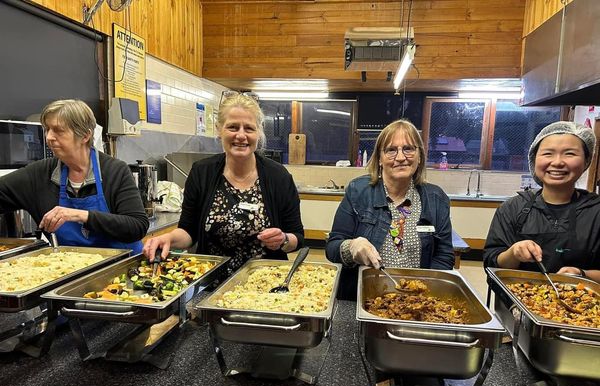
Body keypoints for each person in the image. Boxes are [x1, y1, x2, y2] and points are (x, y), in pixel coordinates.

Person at [143, 92, 304, 274]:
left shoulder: (278, 177)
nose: (241, 135)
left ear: (258, 133)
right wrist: (168, 239)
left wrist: (283, 240)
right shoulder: (201, 172)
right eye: (233, 127)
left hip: (264, 284)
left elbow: (297, 237)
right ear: (220, 130)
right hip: (210, 281)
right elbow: (188, 232)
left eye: (249, 128)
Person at [326, 119, 455, 300]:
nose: (401, 157)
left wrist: (422, 292)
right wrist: (351, 247)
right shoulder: (358, 191)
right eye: (391, 150)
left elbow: (444, 256)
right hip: (361, 297)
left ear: (420, 156)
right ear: (379, 158)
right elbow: (332, 248)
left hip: (418, 299)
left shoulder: (436, 198)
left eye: (408, 149)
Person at [0, 99, 148, 252]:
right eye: (47, 129)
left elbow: (137, 226)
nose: (49, 137)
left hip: (122, 268)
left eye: (58, 130)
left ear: (85, 136)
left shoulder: (115, 171)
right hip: (72, 269)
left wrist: (81, 216)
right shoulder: (38, 175)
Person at [484, 121, 600, 283]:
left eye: (570, 153)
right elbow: (492, 264)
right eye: (548, 153)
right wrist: (514, 252)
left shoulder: (596, 211)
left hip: (586, 305)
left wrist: (581, 274)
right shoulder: (513, 208)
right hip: (517, 302)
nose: (558, 162)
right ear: (534, 159)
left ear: (586, 160)